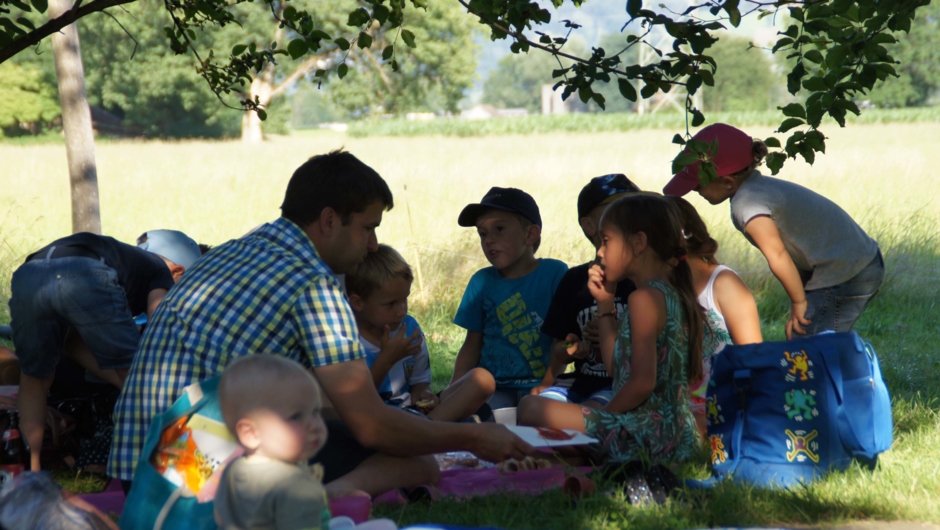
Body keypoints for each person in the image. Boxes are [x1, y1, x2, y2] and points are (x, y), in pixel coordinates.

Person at [109, 151, 533, 497]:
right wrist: (473, 439)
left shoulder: (233, 252)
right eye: (368, 228)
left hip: (139, 474)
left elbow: (326, 405)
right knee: (414, 464)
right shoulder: (313, 284)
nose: (373, 245)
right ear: (329, 220)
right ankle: (321, 503)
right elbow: (372, 425)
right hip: (196, 478)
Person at [517, 193, 703, 467]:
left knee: (530, 408)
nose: (600, 251)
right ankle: (579, 454)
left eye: (606, 241)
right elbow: (619, 370)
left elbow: (641, 383)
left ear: (639, 243)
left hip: (648, 431)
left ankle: (587, 450)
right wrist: (605, 302)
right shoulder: (669, 293)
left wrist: (604, 420)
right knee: (540, 443)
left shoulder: (644, 299)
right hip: (672, 433)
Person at [663, 123, 884, 339]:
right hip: (854, 263)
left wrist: (799, 302)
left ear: (728, 182)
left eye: (698, 184)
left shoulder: (747, 204)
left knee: (809, 348)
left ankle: (852, 374)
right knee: (812, 343)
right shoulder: (759, 189)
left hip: (847, 271)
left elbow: (777, 254)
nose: (695, 190)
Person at [8, 229, 200, 471]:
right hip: (85, 274)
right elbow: (158, 329)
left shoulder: (128, 262)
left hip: (30, 272)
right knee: (141, 381)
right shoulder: (160, 272)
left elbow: (72, 343)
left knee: (34, 378)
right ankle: (172, 466)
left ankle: (29, 474)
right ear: (178, 272)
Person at [346, 244, 494, 422]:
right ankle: (433, 432)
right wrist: (387, 358)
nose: (401, 311)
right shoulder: (348, 340)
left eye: (405, 299)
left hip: (412, 413)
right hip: (379, 420)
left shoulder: (409, 329)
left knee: (482, 380)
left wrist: (423, 394)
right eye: (391, 304)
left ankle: (431, 429)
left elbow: (419, 381)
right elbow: (358, 401)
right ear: (358, 302)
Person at [530, 174, 640, 411]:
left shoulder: (641, 281)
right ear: (589, 225)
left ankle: (584, 438)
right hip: (581, 383)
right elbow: (559, 347)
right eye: (615, 209)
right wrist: (570, 351)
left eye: (633, 207)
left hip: (622, 386)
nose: (628, 215)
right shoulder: (574, 281)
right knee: (533, 407)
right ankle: (580, 439)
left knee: (587, 410)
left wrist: (617, 334)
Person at [452, 187, 568, 410]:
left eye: (499, 229)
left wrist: (548, 383)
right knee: (481, 424)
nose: (489, 240)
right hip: (490, 388)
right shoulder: (481, 281)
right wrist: (453, 390)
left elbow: (560, 340)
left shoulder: (555, 273)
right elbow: (471, 345)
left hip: (540, 385)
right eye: (483, 233)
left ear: (530, 235)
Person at [667, 195, 762, 435]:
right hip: (672, 408)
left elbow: (754, 360)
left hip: (722, 409)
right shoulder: (656, 290)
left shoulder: (723, 283)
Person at [215, 355, 331, 530]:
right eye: (296, 416)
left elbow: (220, 518)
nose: (314, 425)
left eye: (315, 412)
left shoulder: (233, 471)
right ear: (251, 433)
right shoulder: (298, 486)